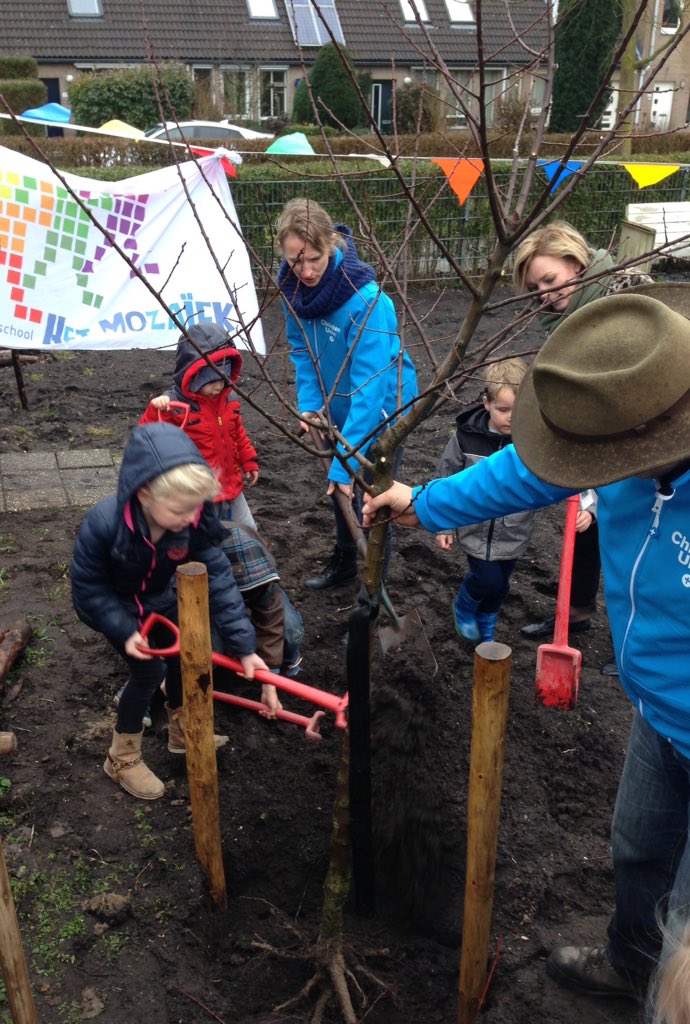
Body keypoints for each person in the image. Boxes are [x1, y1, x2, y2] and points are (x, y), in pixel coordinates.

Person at [362, 288, 690, 1007]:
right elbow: (527, 470)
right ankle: (628, 964)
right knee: (637, 850)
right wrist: (424, 503)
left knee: (689, 939)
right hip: (660, 712)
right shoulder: (625, 431)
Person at [71, 422, 280, 802]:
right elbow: (88, 591)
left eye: (195, 508)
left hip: (162, 601)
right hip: (119, 608)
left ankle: (182, 732)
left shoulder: (193, 518)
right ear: (146, 492)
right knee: (148, 670)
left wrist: (245, 647)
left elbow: (218, 578)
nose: (189, 518)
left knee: (186, 660)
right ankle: (122, 757)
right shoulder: (104, 525)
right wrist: (124, 630)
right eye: (180, 510)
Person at [512, 221, 652, 657]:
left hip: (650, 454)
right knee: (587, 528)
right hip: (603, 448)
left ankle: (637, 639)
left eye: (550, 280)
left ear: (577, 263)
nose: (545, 295)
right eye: (536, 288)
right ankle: (575, 616)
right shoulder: (570, 323)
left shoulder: (622, 305)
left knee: (640, 543)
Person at [139, 323, 303, 678]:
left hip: (232, 487)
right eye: (209, 376)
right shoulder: (176, 408)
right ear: (191, 374)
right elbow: (148, 440)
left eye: (223, 374)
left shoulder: (226, 402)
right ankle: (211, 594)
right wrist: (156, 411)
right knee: (205, 549)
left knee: (247, 539)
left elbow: (237, 434)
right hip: (199, 496)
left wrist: (250, 460)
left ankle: (258, 583)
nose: (218, 383)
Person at [276, 197, 418, 589]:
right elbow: (302, 350)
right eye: (294, 261)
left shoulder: (367, 301)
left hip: (385, 412)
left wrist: (346, 465)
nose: (304, 271)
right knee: (339, 492)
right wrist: (310, 408)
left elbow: (370, 390)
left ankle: (372, 593)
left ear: (332, 245)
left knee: (375, 500)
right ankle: (343, 565)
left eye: (314, 259)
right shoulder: (292, 290)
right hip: (336, 408)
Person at [436, 356, 537, 643]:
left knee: (501, 585)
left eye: (517, 411)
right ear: (486, 403)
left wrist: (585, 505)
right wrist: (444, 525)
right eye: (503, 410)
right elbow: (445, 478)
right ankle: (465, 605)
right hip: (474, 528)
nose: (510, 418)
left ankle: (487, 620)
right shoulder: (467, 438)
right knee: (488, 579)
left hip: (515, 529)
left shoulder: (531, 440)